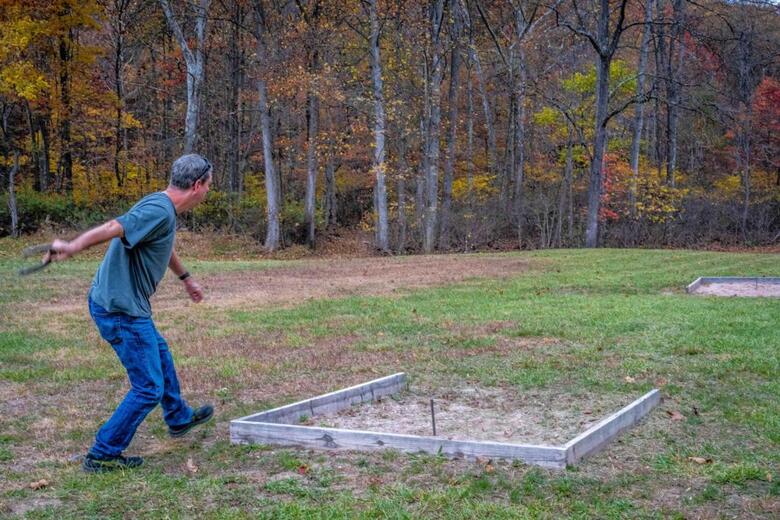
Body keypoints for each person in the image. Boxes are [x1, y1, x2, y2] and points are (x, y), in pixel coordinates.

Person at [47, 153, 216, 473]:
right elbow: (114, 226)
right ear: (197, 185)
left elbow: (163, 245)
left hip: (122, 304)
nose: (208, 191)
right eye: (208, 186)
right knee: (148, 386)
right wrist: (72, 246)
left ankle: (178, 418)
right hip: (120, 310)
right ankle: (102, 453)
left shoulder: (162, 209)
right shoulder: (157, 209)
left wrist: (186, 279)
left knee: (160, 354)